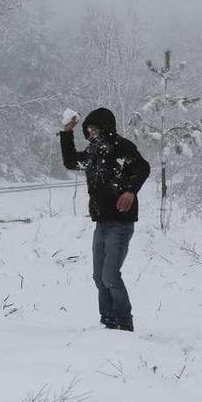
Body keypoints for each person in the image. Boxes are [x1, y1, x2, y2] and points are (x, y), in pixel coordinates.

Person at [59, 108, 150, 332]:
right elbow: (71, 162)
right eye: (87, 131)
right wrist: (67, 132)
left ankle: (124, 322)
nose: (89, 134)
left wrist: (130, 191)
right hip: (101, 223)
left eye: (92, 129)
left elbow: (143, 167)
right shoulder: (92, 153)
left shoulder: (121, 147)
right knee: (99, 277)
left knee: (110, 275)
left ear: (104, 128)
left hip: (120, 223)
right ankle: (108, 321)